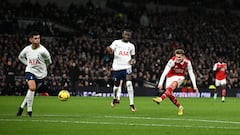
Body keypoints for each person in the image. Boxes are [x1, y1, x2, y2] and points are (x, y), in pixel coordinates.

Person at [152, 49, 199, 115]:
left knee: (173, 85)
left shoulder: (187, 62)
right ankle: (180, 107)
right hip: (170, 77)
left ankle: (161, 98)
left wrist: (194, 86)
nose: (177, 59)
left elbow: (191, 73)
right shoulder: (172, 61)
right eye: (176, 57)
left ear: (183, 56)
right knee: (169, 93)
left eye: (179, 57)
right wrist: (160, 83)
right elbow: (165, 72)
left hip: (180, 77)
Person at [16, 31, 52, 117]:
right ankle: (29, 111)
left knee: (31, 91)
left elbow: (49, 62)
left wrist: (44, 68)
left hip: (41, 74)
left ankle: (21, 108)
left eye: (38, 38)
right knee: (32, 88)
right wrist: (27, 64)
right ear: (30, 39)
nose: (38, 40)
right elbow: (20, 57)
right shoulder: (27, 49)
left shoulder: (43, 51)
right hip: (30, 71)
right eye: (35, 38)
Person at [106, 29, 136, 112]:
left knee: (129, 84)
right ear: (122, 35)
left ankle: (132, 104)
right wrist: (108, 50)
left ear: (130, 36)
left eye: (128, 35)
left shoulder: (131, 46)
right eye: (125, 35)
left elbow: (133, 58)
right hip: (117, 67)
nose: (126, 36)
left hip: (127, 67)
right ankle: (114, 98)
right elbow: (110, 51)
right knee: (116, 87)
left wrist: (133, 61)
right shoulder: (116, 42)